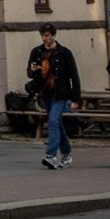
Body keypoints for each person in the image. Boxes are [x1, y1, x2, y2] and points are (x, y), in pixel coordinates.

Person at [26, 23, 80, 169]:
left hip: (61, 93)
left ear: (53, 35)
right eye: (43, 35)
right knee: (57, 124)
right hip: (45, 93)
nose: (44, 39)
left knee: (53, 122)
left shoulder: (64, 53)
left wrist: (75, 99)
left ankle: (51, 155)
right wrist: (33, 70)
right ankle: (67, 153)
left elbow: (74, 76)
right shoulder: (36, 52)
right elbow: (30, 73)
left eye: (47, 35)